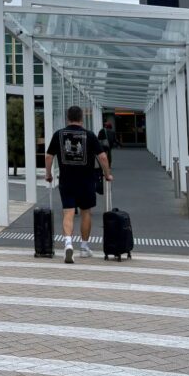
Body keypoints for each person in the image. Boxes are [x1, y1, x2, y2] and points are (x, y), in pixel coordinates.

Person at [44, 105, 113, 264]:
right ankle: (83, 247)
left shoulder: (59, 134)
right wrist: (107, 174)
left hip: (66, 181)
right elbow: (102, 157)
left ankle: (68, 243)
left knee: (68, 213)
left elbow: (49, 157)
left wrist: (48, 174)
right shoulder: (89, 135)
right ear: (82, 118)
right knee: (85, 212)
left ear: (67, 118)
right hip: (86, 181)